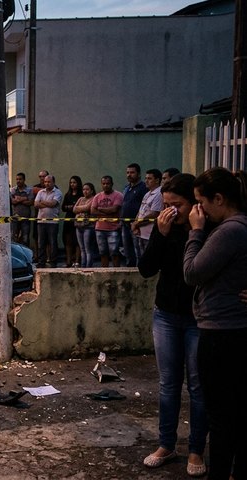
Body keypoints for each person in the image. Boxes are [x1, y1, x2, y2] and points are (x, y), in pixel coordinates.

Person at [138, 173, 208, 477]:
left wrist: (196, 231)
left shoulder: (205, 229)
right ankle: (166, 444)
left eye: (176, 204)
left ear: (193, 203)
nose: (171, 211)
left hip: (199, 318)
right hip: (165, 314)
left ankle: (196, 450)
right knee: (168, 385)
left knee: (198, 386)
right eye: (166, 205)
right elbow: (146, 269)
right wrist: (159, 235)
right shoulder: (163, 227)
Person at [183, 167, 247, 480]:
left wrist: (195, 232)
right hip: (229, 330)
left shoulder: (230, 231)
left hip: (222, 333)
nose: (200, 210)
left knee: (221, 415)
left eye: (201, 202)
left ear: (218, 198)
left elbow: (193, 273)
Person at [91, 175, 124, 267]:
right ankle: (104, 272)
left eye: (108, 183)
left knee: (114, 252)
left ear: (112, 184)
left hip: (113, 229)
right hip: (99, 228)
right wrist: (108, 213)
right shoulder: (97, 196)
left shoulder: (118, 195)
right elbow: (93, 211)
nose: (106, 185)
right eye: (104, 184)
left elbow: (114, 210)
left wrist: (100, 209)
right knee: (102, 252)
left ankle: (116, 272)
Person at [120, 163, 148, 266]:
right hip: (125, 224)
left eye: (132, 172)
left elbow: (144, 206)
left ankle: (138, 272)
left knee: (138, 251)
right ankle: (128, 271)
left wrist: (137, 222)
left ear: (139, 174)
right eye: (127, 172)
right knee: (127, 251)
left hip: (136, 224)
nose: (129, 175)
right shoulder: (126, 188)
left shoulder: (143, 187)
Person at [131, 169, 163, 259]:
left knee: (149, 259)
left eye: (149, 178)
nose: (146, 181)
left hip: (150, 234)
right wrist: (136, 224)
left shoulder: (159, 194)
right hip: (141, 233)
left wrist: (136, 224)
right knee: (140, 258)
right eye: (145, 178)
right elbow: (141, 211)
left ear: (157, 180)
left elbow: (154, 214)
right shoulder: (147, 194)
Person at [34, 175, 63, 267]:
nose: (46, 183)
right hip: (41, 221)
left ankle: (53, 262)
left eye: (49, 182)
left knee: (53, 243)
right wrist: (47, 204)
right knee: (41, 243)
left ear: (53, 182)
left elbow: (53, 203)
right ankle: (41, 262)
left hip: (52, 222)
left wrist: (42, 202)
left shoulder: (58, 192)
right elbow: (35, 204)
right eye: (45, 182)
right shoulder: (40, 192)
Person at [73, 182, 97, 268]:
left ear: (91, 190)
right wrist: (81, 208)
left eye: (87, 189)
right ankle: (83, 265)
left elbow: (88, 208)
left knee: (88, 248)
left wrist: (79, 208)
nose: (85, 191)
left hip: (88, 226)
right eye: (84, 189)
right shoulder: (80, 199)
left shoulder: (94, 198)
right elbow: (74, 209)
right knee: (82, 248)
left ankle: (88, 266)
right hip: (78, 225)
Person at [61, 176, 83, 267]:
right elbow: (63, 207)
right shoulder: (68, 194)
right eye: (71, 183)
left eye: (74, 182)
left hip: (78, 220)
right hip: (68, 220)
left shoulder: (81, 195)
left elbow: (79, 207)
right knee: (68, 241)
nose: (72, 184)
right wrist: (72, 207)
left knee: (77, 241)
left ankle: (77, 261)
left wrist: (72, 208)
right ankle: (68, 261)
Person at [10, 172, 34, 246]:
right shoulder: (13, 190)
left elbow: (30, 202)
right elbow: (12, 201)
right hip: (15, 218)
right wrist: (24, 198)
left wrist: (19, 199)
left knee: (25, 238)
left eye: (20, 179)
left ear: (24, 180)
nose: (18, 181)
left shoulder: (29, 190)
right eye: (17, 179)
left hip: (26, 218)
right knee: (14, 237)